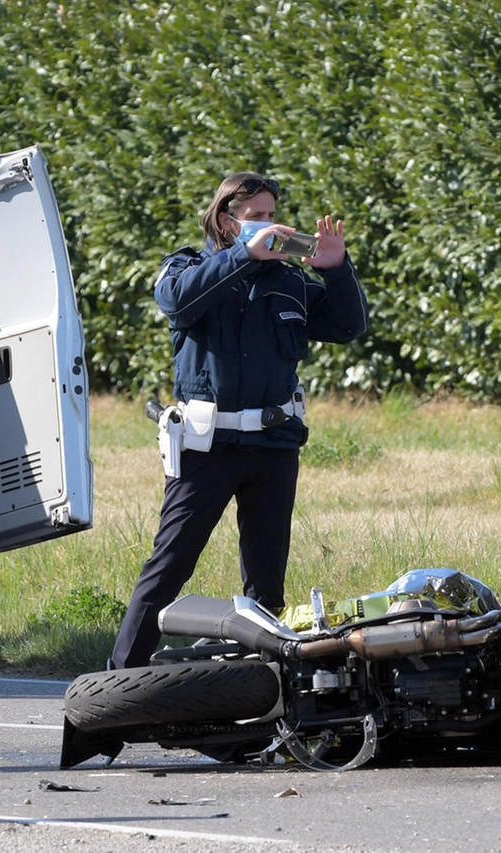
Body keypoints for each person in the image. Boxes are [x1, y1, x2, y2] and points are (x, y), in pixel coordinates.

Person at [108, 172, 368, 670]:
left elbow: (348, 325)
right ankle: (119, 683)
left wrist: (337, 271)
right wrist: (244, 257)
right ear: (228, 221)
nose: (270, 227)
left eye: (273, 216)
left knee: (266, 581)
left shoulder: (291, 281)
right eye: (257, 218)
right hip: (207, 448)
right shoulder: (188, 266)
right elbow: (176, 301)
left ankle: (265, 695)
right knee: (170, 567)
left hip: (273, 447)